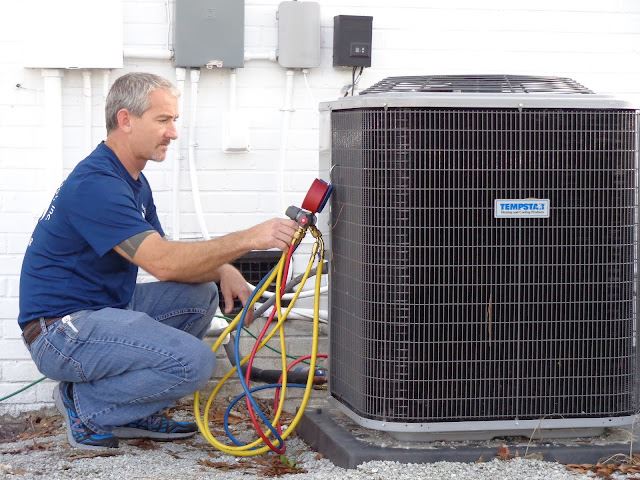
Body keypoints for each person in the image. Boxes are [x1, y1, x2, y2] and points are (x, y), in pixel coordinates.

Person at [18, 72, 298, 450]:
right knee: (194, 363)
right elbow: (163, 263)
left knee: (199, 294)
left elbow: (167, 258)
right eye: (163, 120)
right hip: (61, 332)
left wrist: (222, 270)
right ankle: (86, 405)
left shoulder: (131, 179)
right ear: (125, 119)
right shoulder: (97, 184)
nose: (173, 132)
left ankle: (128, 410)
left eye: (174, 121)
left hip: (100, 310)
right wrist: (249, 239)